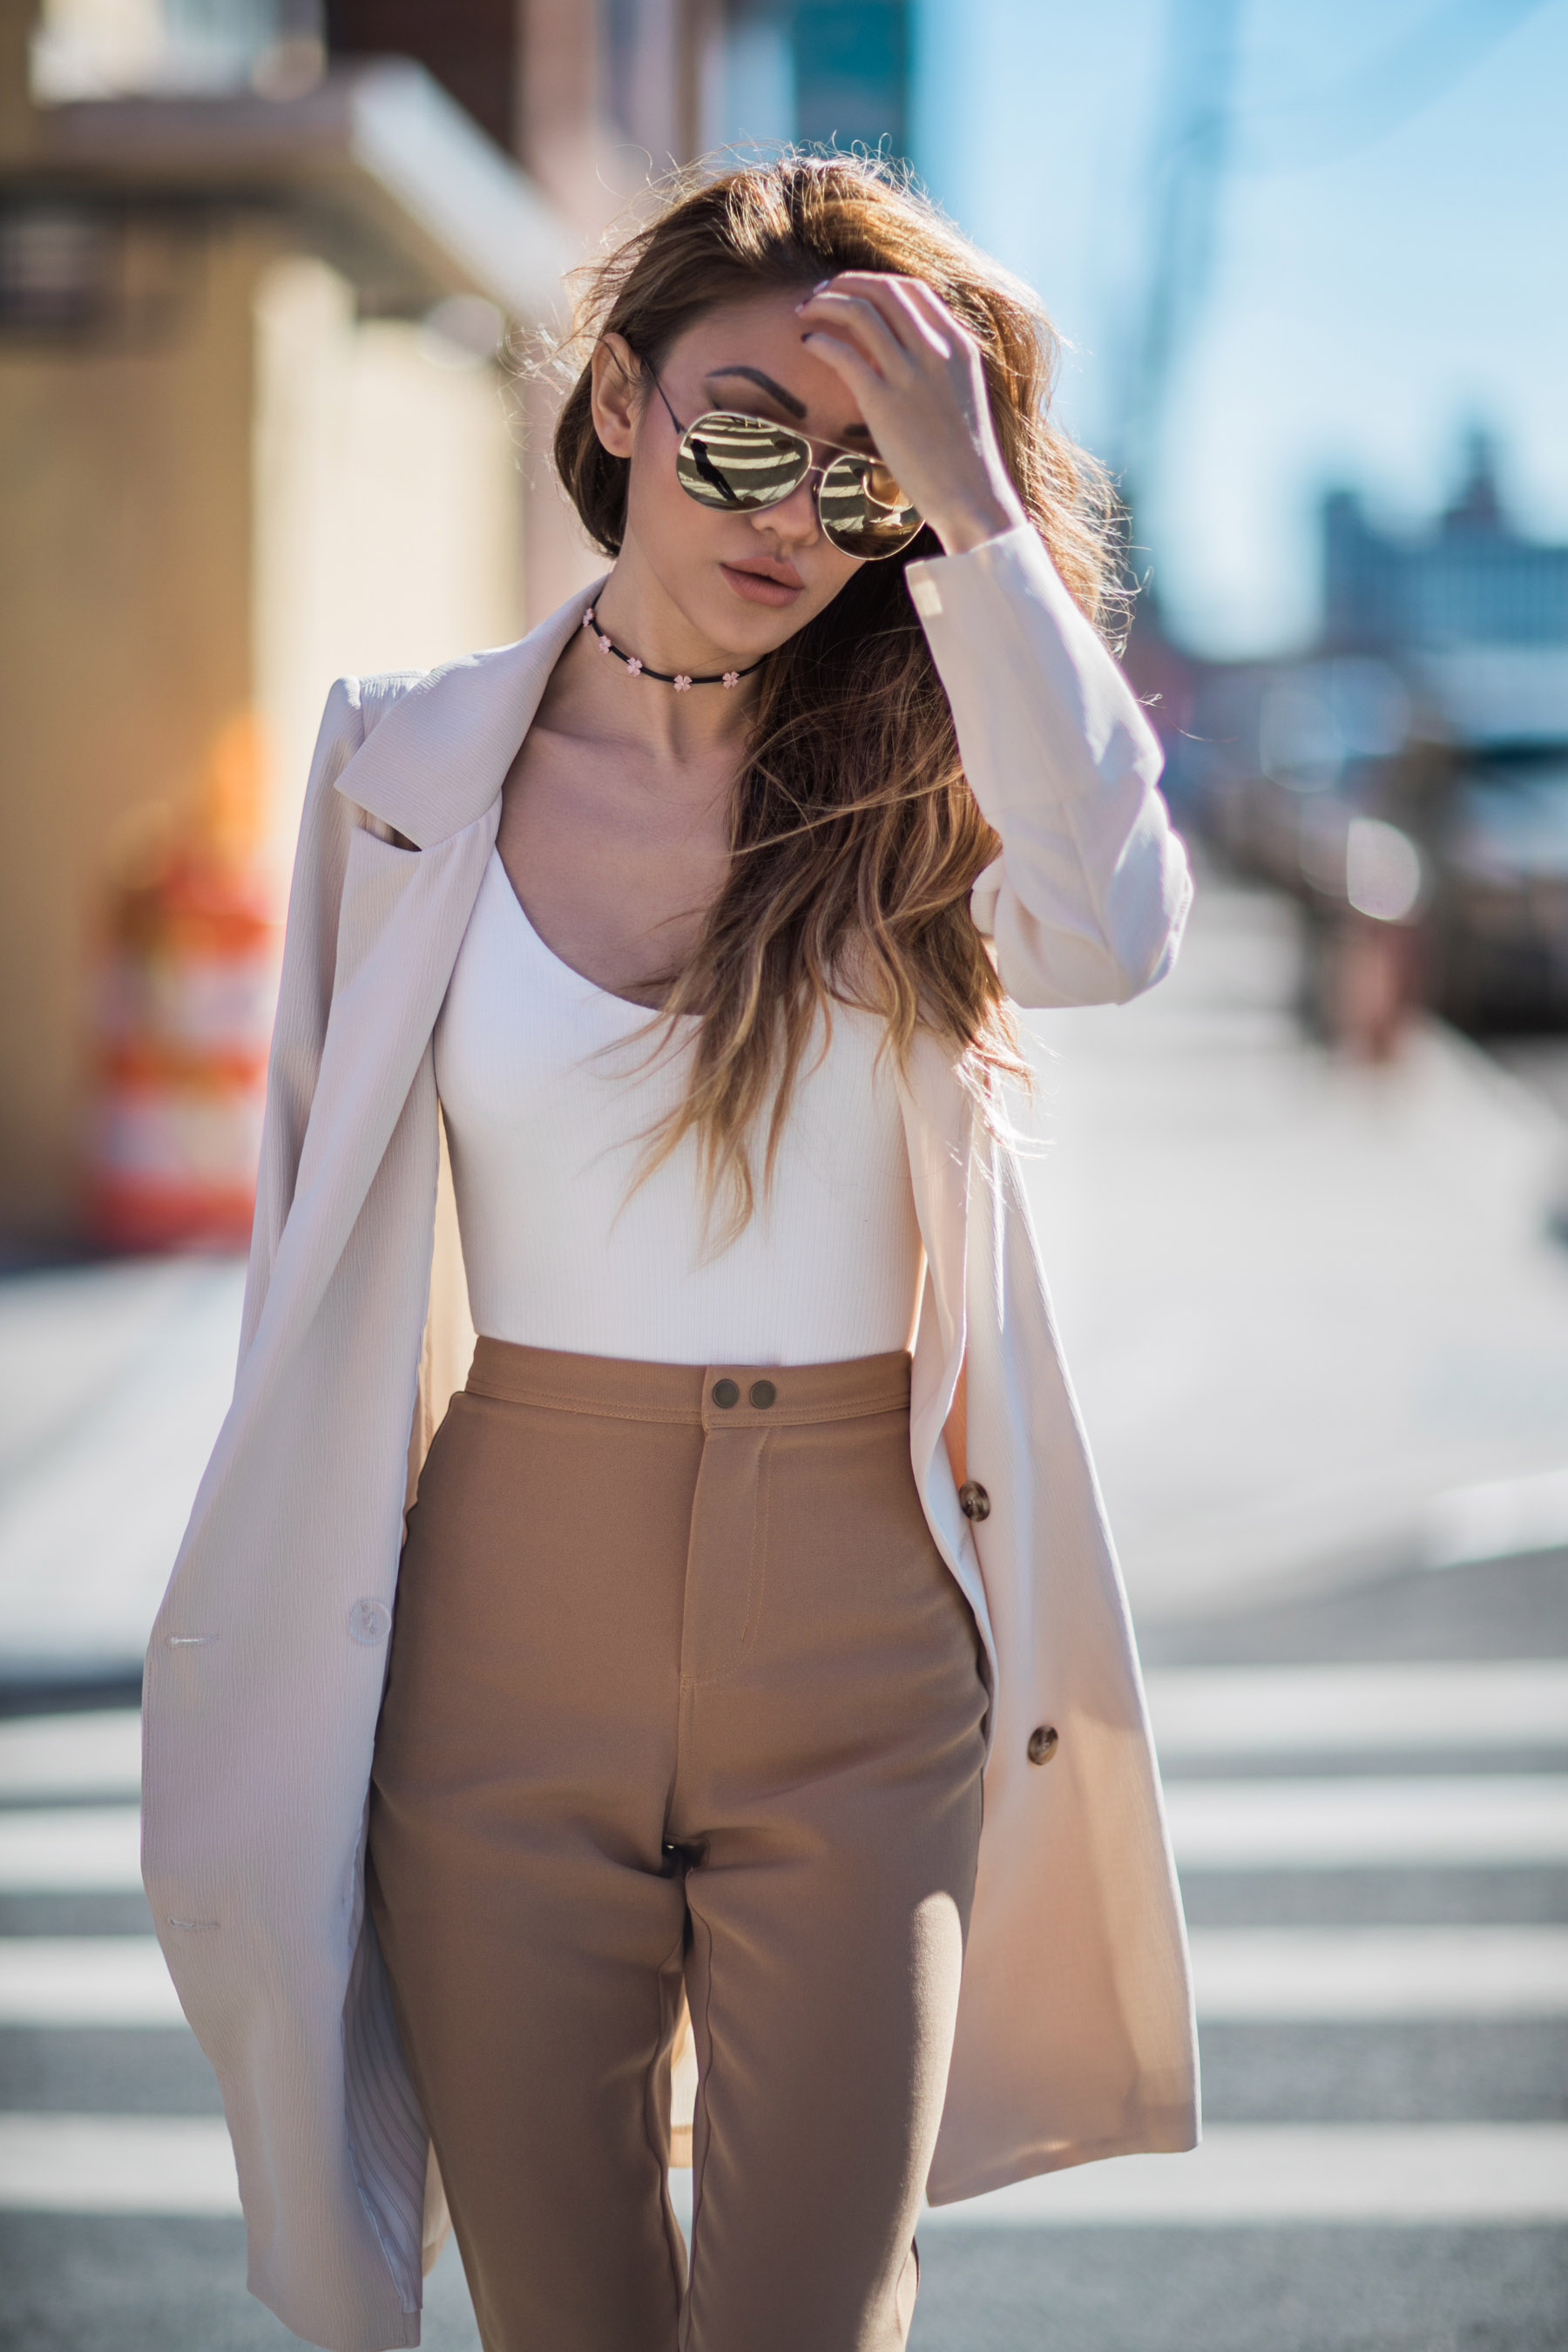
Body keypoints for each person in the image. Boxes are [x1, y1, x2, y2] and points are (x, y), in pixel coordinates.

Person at [143, 155, 1199, 2352]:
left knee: (810, 2315)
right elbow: (308, 1263)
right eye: (738, 432)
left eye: (862, 479)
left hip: (861, 1652)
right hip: (500, 1629)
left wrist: (982, 520)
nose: (788, 518)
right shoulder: (401, 769)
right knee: (568, 2318)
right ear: (617, 403)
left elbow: (1112, 926)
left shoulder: (932, 793)